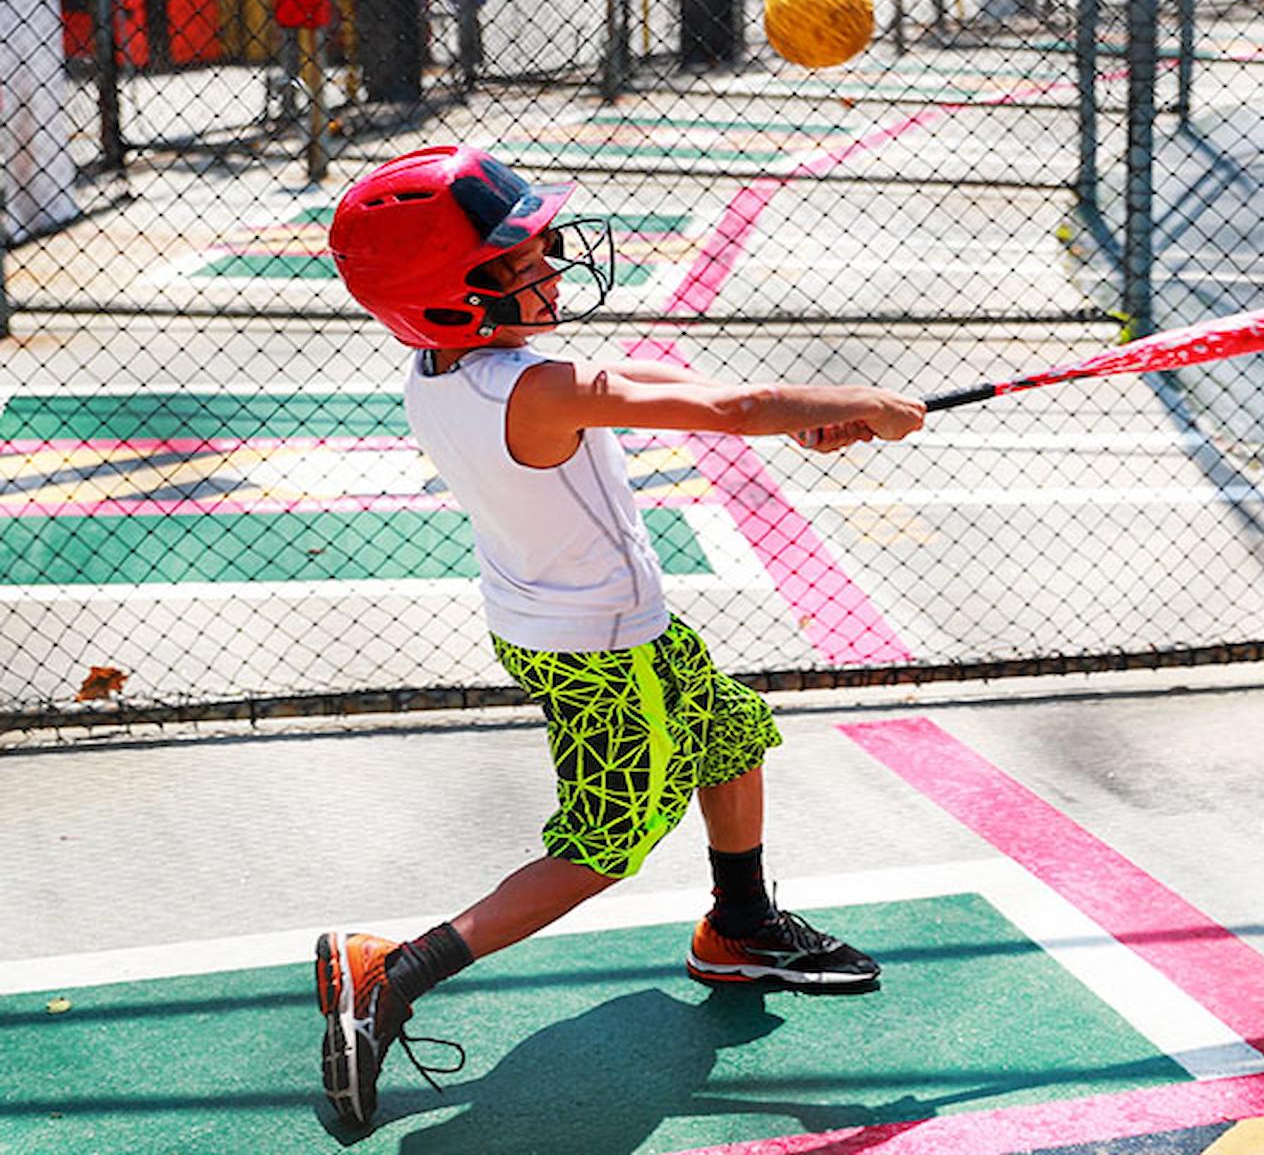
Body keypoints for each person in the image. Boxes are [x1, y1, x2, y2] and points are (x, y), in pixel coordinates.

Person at [316, 143, 925, 1126]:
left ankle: (741, 922)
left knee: (726, 726)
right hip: (601, 649)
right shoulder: (533, 388)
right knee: (608, 839)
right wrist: (858, 405)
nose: (553, 270)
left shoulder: (453, 373)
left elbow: (671, 384)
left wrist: (819, 416)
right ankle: (394, 968)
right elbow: (730, 408)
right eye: (521, 263)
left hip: (586, 624)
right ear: (452, 298)